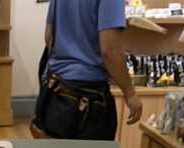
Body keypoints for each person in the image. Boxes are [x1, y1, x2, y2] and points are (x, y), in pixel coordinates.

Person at [34, 0, 142, 140]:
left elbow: (49, 37)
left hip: (55, 91)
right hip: (89, 100)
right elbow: (110, 50)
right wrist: (130, 94)